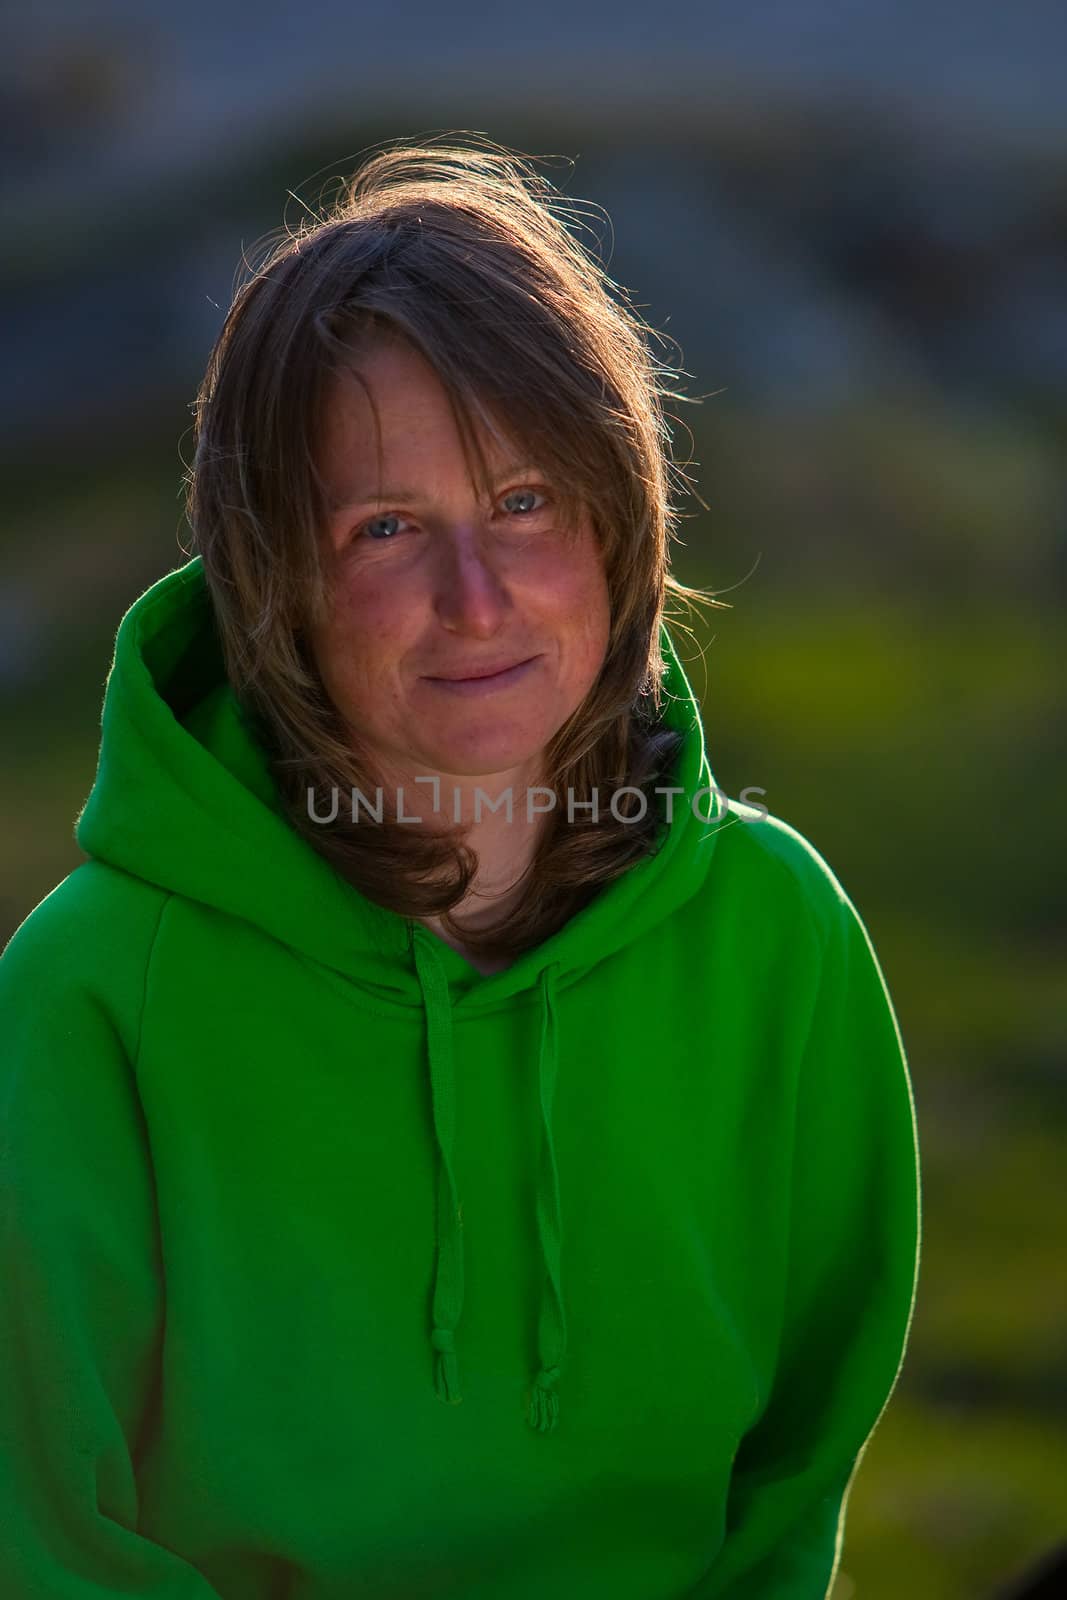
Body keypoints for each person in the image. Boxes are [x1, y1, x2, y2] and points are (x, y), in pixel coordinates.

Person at [0, 137, 922, 1598]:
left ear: (621, 521)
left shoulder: (777, 935)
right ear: (271, 579)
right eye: (386, 529)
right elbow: (42, 1539)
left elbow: (792, 1485)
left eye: (527, 503)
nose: (475, 600)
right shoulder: (91, 994)